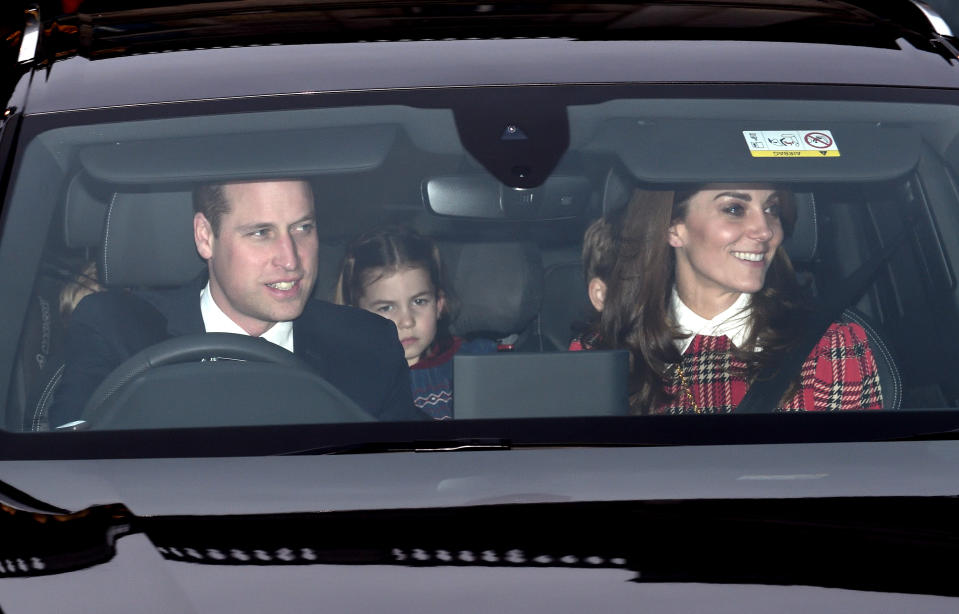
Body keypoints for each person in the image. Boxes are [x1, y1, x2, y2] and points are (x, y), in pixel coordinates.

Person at [49, 179, 421, 427]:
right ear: (205, 236)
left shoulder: (367, 345)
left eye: (302, 228)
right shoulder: (116, 332)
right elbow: (69, 475)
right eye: (261, 233)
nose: (291, 259)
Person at [574, 185, 883, 414]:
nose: (765, 230)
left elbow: (852, 480)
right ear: (673, 229)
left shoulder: (827, 348)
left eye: (771, 209)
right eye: (735, 209)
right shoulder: (604, 352)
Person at [336, 226, 496, 420]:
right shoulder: (351, 383)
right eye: (386, 308)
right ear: (357, 315)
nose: (407, 321)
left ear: (439, 304)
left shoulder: (474, 365)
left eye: (419, 301)